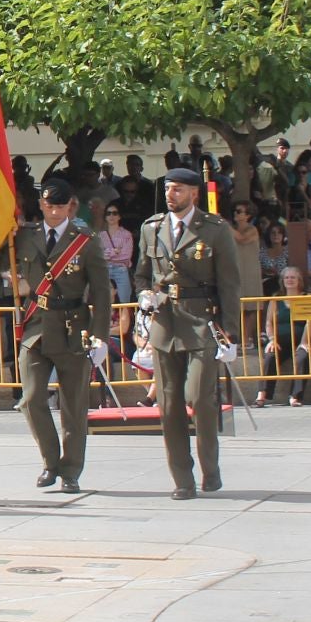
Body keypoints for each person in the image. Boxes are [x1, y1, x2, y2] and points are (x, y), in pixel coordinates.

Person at [133, 166, 242, 501]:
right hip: (166, 323)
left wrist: (231, 335)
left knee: (199, 398)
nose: (171, 195)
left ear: (194, 193)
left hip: (201, 323)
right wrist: (144, 296)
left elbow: (229, 282)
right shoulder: (152, 228)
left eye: (178, 189)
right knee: (168, 405)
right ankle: (182, 478)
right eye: (167, 188)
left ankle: (210, 468)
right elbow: (141, 275)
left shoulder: (215, 229)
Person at [6, 178, 111, 492]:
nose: (53, 211)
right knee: (30, 398)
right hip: (36, 325)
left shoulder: (85, 240)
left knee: (74, 406)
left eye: (60, 206)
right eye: (48, 205)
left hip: (73, 326)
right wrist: (3, 237)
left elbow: (102, 292)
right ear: (40, 204)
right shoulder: (25, 236)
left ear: (70, 206)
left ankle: (71, 470)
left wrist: (100, 335)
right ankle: (50, 461)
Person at [258, 267, 311, 407]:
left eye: (293, 277)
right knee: (269, 356)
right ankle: (262, 395)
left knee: (302, 357)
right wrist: (272, 340)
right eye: (287, 278)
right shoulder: (276, 298)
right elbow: (269, 322)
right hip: (281, 340)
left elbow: (310, 322)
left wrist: (304, 342)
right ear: (282, 281)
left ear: (299, 281)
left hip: (302, 337)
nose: (290, 280)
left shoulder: (306, 297)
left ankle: (295, 396)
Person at [100, 203, 136, 305]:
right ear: (105, 217)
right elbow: (98, 255)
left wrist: (107, 254)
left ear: (119, 216)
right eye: (108, 213)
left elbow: (126, 256)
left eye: (114, 213)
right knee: (102, 301)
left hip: (121, 269)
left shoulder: (126, 234)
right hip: (104, 269)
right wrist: (114, 252)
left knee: (124, 303)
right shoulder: (101, 235)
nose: (111, 216)